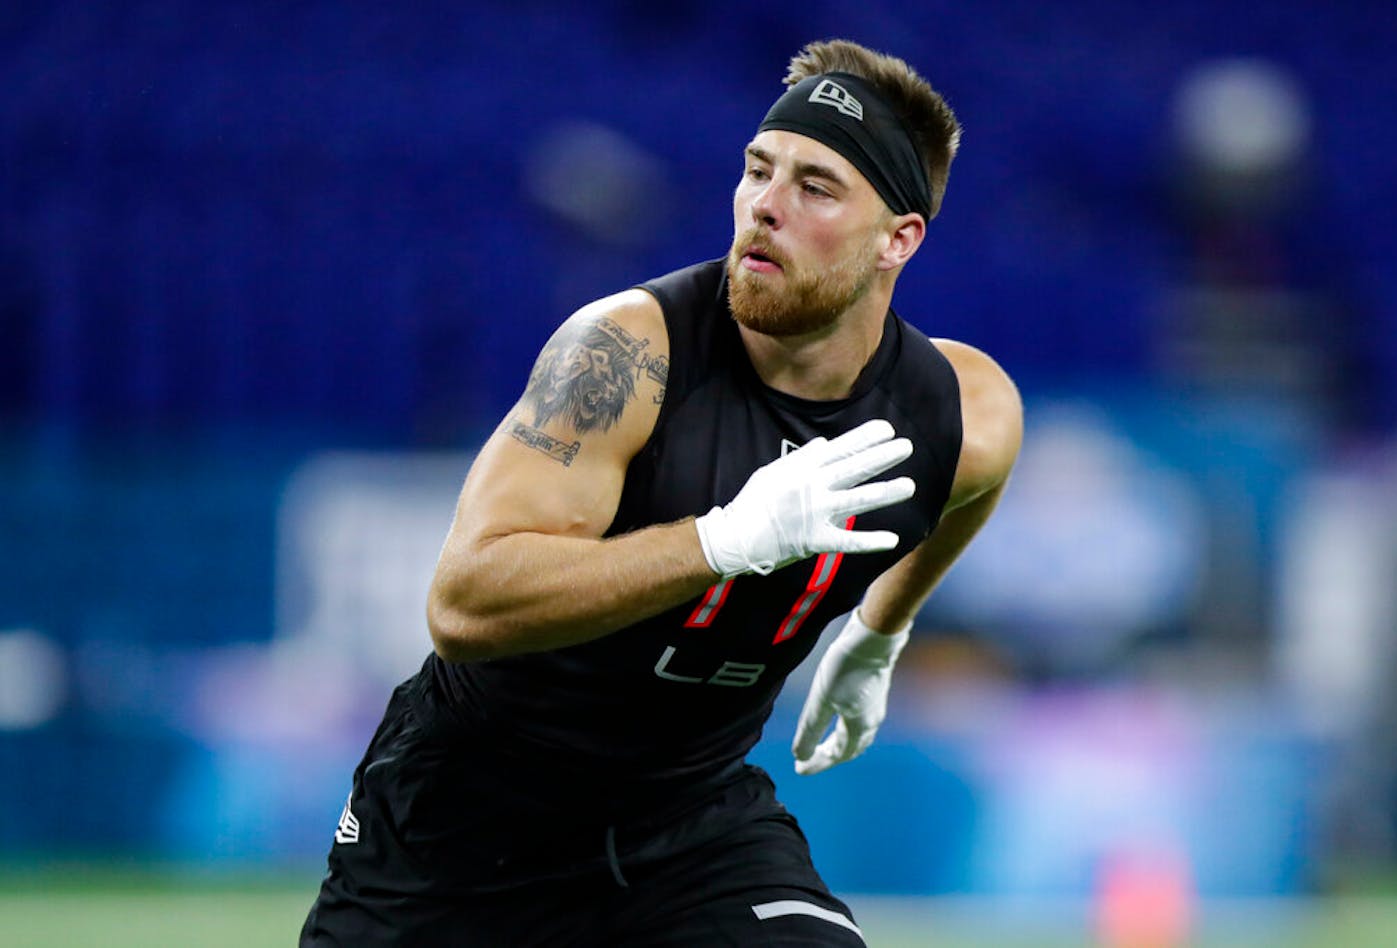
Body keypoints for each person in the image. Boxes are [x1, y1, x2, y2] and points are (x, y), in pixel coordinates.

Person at [301, 38, 1021, 946]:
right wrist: (721, 542)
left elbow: (975, 480)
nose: (766, 206)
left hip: (689, 821)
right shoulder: (627, 355)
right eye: (760, 169)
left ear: (898, 239)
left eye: (816, 187)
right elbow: (465, 599)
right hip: (463, 824)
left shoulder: (958, 406)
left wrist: (881, 631)